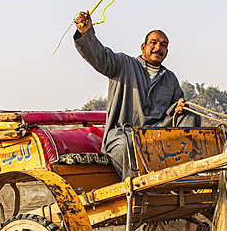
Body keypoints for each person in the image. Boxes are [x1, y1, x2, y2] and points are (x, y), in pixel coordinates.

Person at [73, 10, 198, 179]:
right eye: (153, 43)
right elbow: (100, 56)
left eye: (163, 45)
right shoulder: (123, 64)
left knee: (191, 116)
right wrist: (85, 33)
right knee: (128, 146)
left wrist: (179, 108)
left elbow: (175, 111)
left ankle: (192, 179)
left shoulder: (170, 78)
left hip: (158, 136)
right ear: (143, 47)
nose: (158, 47)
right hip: (123, 136)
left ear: (166, 52)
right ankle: (139, 194)